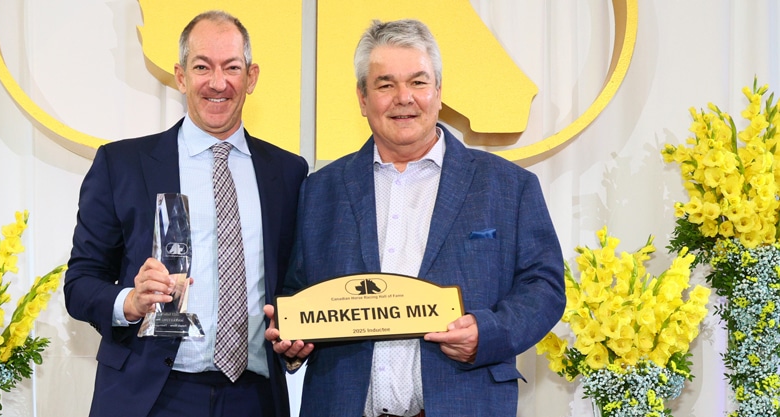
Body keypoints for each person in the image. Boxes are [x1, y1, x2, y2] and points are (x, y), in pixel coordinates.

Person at [265, 19, 565, 417]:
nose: (403, 98)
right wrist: (291, 338)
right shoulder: (320, 190)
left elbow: (544, 287)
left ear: (439, 92)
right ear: (362, 98)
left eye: (418, 82)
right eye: (385, 84)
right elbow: (295, 292)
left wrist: (487, 333)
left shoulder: (509, 187)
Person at [64, 10, 308, 417]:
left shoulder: (288, 172)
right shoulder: (122, 164)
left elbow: (295, 283)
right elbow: (80, 282)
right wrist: (130, 302)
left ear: (251, 77)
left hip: (255, 398)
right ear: (180, 76)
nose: (218, 82)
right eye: (202, 67)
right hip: (151, 396)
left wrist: (298, 338)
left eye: (232, 67)